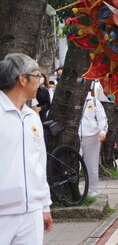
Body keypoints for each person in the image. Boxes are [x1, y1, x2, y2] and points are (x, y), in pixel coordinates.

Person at [0, 53, 53, 244]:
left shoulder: (32, 117)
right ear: (22, 79)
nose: (40, 82)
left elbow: (39, 164)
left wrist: (44, 206)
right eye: (36, 76)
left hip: (31, 211)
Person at [79, 85, 108, 198]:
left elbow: (102, 118)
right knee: (74, 166)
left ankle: (92, 191)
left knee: (92, 166)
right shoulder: (72, 100)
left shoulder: (94, 102)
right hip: (75, 138)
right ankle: (74, 191)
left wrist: (102, 132)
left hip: (92, 138)